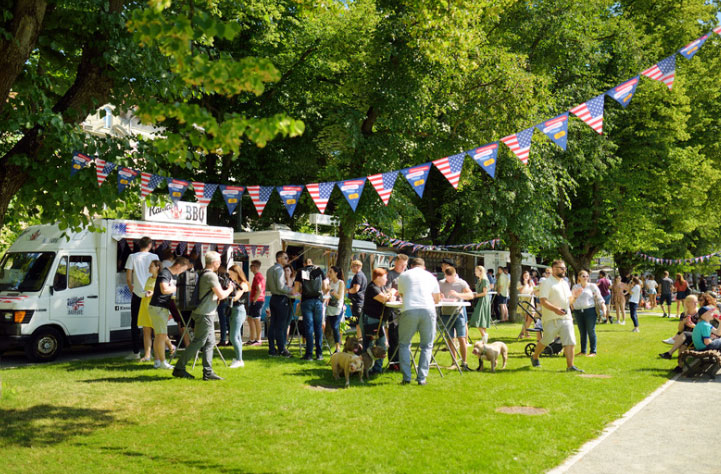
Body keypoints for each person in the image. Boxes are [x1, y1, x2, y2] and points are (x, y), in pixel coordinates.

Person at [173, 251, 234, 380]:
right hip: (205, 314)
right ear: (215, 263)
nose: (220, 263)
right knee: (198, 342)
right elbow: (222, 295)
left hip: (204, 312)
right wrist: (230, 289)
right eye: (219, 261)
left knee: (210, 342)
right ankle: (179, 367)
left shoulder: (202, 273)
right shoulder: (211, 276)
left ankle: (208, 372)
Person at [530, 259, 584, 372]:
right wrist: (556, 310)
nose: (564, 270)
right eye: (562, 268)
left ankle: (570, 366)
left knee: (570, 341)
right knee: (546, 340)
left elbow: (568, 302)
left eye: (565, 268)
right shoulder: (546, 282)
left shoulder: (565, 283)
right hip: (551, 317)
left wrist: (575, 296)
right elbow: (543, 301)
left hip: (566, 317)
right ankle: (535, 357)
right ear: (554, 269)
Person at [397, 258, 442, 385]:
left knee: (404, 344)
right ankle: (422, 378)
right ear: (424, 266)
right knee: (427, 345)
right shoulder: (431, 277)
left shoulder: (404, 275)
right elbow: (437, 299)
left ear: (411, 266)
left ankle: (406, 377)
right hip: (428, 309)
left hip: (409, 309)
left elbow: (402, 294)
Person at [148, 257, 192, 369]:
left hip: (160, 307)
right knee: (161, 335)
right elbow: (164, 289)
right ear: (178, 266)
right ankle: (163, 362)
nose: (182, 272)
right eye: (183, 269)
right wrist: (177, 288)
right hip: (158, 307)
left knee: (159, 335)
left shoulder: (170, 274)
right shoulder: (165, 273)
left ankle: (158, 362)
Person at [124, 236, 159, 359]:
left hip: (138, 293)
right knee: (153, 323)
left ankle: (136, 352)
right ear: (150, 245)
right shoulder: (155, 257)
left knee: (135, 323)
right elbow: (157, 276)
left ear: (139, 245)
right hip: (151, 293)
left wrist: (131, 288)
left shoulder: (132, 257)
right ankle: (157, 350)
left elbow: (128, 277)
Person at [439, 267, 474, 371]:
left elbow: (471, 295)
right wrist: (439, 296)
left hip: (458, 313)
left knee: (461, 337)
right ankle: (454, 361)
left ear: (455, 275)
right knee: (450, 338)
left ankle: (464, 362)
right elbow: (435, 295)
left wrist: (457, 294)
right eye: (446, 277)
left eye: (450, 278)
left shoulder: (461, 283)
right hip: (445, 312)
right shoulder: (441, 283)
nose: (448, 280)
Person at [361, 268, 394, 373]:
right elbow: (384, 299)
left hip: (377, 320)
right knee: (372, 344)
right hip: (371, 319)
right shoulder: (372, 288)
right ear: (378, 278)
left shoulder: (380, 287)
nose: (387, 279)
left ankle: (375, 368)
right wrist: (392, 293)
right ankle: (368, 368)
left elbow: (387, 297)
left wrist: (389, 294)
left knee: (379, 344)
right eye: (385, 277)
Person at [294, 258, 328, 361]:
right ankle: (319, 354)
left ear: (304, 264)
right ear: (312, 263)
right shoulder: (319, 270)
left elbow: (296, 288)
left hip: (306, 301)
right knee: (318, 327)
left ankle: (309, 354)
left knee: (309, 327)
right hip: (318, 301)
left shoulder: (300, 271)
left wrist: (302, 291)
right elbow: (325, 287)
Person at [265, 251, 294, 358]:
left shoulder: (269, 270)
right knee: (281, 326)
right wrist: (291, 290)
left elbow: (268, 286)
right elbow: (281, 287)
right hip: (281, 299)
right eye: (285, 258)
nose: (287, 260)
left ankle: (272, 349)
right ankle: (282, 349)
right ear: (279, 258)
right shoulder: (279, 270)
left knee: (273, 325)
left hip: (273, 298)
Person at [571, 270, 605, 356]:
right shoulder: (575, 287)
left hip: (590, 310)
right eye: (583, 276)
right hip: (578, 311)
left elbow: (599, 297)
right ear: (579, 277)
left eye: (587, 276)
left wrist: (603, 308)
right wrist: (572, 307)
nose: (585, 278)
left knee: (591, 330)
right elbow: (572, 298)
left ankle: (593, 351)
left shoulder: (592, 286)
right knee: (582, 332)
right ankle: (583, 351)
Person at [659, 294, 702, 360]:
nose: (696, 303)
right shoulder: (684, 314)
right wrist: (683, 322)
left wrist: (692, 325)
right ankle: (680, 367)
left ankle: (669, 352)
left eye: (696, 301)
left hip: (696, 335)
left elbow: (702, 329)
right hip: (685, 337)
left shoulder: (700, 313)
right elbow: (680, 329)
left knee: (684, 335)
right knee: (681, 350)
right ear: (687, 303)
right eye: (693, 302)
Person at [385, 254, 408, 370]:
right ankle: (393, 362)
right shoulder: (390, 274)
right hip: (393, 309)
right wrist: (394, 293)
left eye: (404, 265)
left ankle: (402, 361)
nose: (402, 267)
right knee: (394, 336)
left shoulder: (407, 275)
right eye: (400, 265)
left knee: (404, 336)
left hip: (405, 308)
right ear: (395, 263)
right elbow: (387, 290)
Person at [137, 260, 163, 362]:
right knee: (146, 331)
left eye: (151, 266)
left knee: (158, 333)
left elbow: (162, 292)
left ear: (157, 267)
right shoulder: (149, 278)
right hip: (145, 306)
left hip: (154, 307)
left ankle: (165, 351)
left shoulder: (161, 279)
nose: (149, 268)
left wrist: (152, 293)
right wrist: (144, 293)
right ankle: (147, 355)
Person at [227, 264, 250, 368]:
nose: (229, 276)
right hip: (233, 310)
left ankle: (239, 360)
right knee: (237, 337)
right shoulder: (234, 283)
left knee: (233, 336)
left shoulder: (243, 284)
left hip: (239, 310)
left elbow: (236, 298)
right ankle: (238, 358)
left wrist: (229, 289)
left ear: (237, 273)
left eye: (231, 274)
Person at [469, 265, 491, 343]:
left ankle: (484, 335)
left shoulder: (484, 280)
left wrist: (474, 296)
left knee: (476, 319)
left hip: (483, 300)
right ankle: (484, 338)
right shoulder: (479, 280)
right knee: (482, 320)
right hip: (481, 300)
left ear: (480, 271)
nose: (475, 272)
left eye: (476, 271)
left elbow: (484, 293)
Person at [325, 266, 345, 354]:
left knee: (335, 327)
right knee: (332, 327)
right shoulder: (329, 282)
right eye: (329, 272)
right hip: (330, 308)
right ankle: (331, 345)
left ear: (336, 273)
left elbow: (339, 296)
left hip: (338, 308)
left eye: (331, 272)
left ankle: (338, 348)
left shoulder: (340, 283)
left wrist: (331, 290)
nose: (329, 274)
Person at [246, 260, 265, 346]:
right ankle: (252, 338)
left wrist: (254, 300)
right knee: (250, 319)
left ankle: (258, 339)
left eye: (251, 266)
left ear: (255, 267)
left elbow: (259, 289)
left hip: (257, 301)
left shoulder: (257, 276)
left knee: (256, 319)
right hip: (256, 300)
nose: (250, 268)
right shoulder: (257, 276)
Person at [347, 260, 367, 325]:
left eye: (353, 266)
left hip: (357, 302)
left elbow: (356, 289)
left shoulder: (358, 275)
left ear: (358, 267)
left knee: (358, 323)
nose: (351, 268)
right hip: (359, 301)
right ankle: (359, 335)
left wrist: (348, 290)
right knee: (358, 323)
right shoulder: (362, 275)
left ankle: (360, 335)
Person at [216, 264, 231, 346]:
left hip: (223, 300)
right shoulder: (228, 276)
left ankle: (223, 339)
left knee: (223, 321)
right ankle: (228, 339)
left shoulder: (222, 277)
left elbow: (223, 286)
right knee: (227, 321)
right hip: (227, 300)